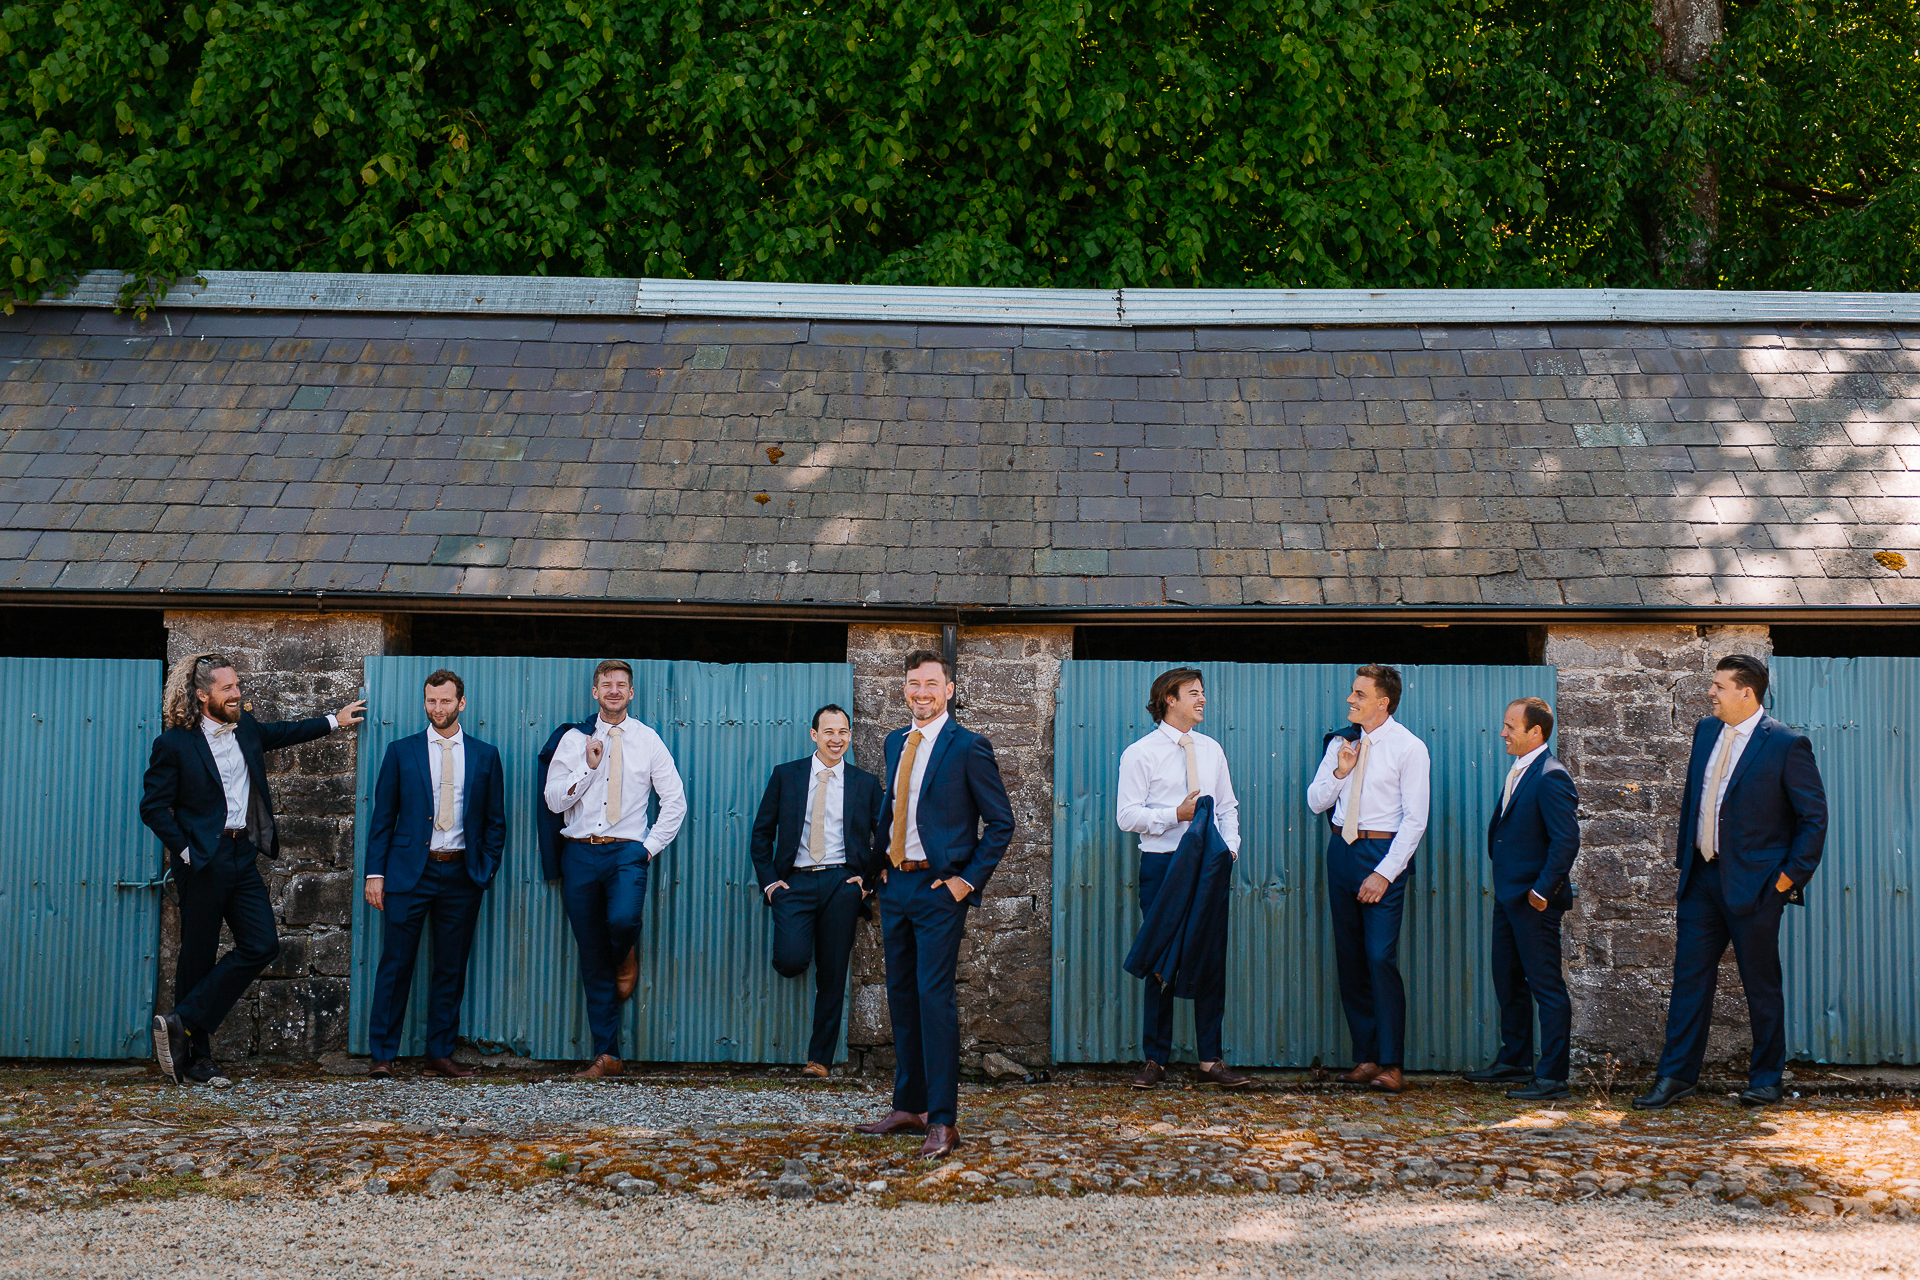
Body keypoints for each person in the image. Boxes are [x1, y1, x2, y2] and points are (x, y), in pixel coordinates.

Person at [140, 653, 365, 1086]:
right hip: (202, 861)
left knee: (262, 944)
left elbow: (283, 733)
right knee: (198, 955)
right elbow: (153, 807)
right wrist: (186, 852)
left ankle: (180, 1020)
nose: (237, 693)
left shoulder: (245, 727)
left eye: (237, 685)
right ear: (202, 694)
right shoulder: (175, 744)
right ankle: (196, 1060)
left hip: (243, 856)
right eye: (228, 688)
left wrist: (334, 720)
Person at [1635, 654, 1827, 1111]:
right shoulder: (1705, 732)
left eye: (1719, 686)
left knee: (1760, 984)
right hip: (1701, 879)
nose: (1710, 693)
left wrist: (1785, 881)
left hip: (1757, 888)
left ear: (1747, 692)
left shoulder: (1785, 744)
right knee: (1688, 981)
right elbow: (1697, 800)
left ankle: (1766, 1080)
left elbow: (1813, 819)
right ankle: (1676, 1076)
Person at [854, 649, 1015, 1158]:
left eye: (930, 684)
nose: (920, 692)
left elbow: (1002, 823)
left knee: (934, 998)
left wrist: (964, 883)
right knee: (901, 997)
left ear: (948, 690)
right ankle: (911, 1104)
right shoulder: (894, 741)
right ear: (904, 689)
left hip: (939, 891)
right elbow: (893, 806)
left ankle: (943, 1121)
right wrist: (879, 864)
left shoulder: (969, 746)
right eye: (912, 684)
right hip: (896, 887)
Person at [540, 659, 687, 1078]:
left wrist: (649, 848)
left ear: (631, 693)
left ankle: (625, 955)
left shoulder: (649, 740)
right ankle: (609, 1055)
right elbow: (553, 801)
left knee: (622, 921)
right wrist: (587, 766)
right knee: (590, 955)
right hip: (580, 854)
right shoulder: (573, 739)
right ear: (595, 692)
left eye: (621, 685)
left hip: (628, 853)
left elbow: (674, 801)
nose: (614, 691)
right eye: (607, 685)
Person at [362, 669, 507, 1081]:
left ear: (461, 703)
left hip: (462, 873)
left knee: (450, 967)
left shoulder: (485, 755)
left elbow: (495, 822)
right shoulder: (401, 751)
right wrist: (376, 874)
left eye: (445, 701)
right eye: (431, 701)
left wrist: (485, 868)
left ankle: (439, 1054)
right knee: (396, 963)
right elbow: (383, 819)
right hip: (409, 874)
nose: (437, 709)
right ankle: (383, 1055)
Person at [1116, 667, 1249, 1089]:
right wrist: (1176, 815)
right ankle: (1155, 1058)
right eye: (1194, 693)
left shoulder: (1211, 749)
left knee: (1209, 956)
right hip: (1163, 867)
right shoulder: (1141, 753)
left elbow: (1228, 806)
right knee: (1160, 959)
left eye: (1203, 693)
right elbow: (1126, 816)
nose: (1202, 699)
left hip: (1208, 866)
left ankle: (1211, 1060)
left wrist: (1229, 850)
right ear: (1169, 699)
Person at [1306, 664, 1430, 1095]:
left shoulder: (1409, 748)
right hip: (1341, 851)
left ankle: (1393, 1064)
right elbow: (1315, 802)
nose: (1350, 700)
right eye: (1352, 693)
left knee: (1379, 957)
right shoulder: (1342, 742)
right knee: (1351, 958)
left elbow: (1415, 821)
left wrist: (1383, 874)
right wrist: (1340, 770)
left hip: (1383, 853)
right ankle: (1367, 1058)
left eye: (1359, 694)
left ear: (1384, 702)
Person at [749, 704, 884, 1077]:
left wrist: (867, 883)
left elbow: (886, 837)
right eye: (828, 732)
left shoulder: (865, 784)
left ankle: (819, 1060)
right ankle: (792, 943)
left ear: (850, 735)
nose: (836, 739)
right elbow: (761, 833)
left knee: (833, 971)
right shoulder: (786, 776)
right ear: (814, 735)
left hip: (843, 884)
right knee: (791, 960)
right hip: (796, 883)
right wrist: (771, 884)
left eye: (843, 732)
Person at [1462, 697, 1580, 1101]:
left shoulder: (1551, 775)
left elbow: (1566, 841)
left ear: (1536, 732)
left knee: (1546, 986)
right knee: (1507, 978)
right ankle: (1514, 1060)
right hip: (1509, 896)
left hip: (1533, 901)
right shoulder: (1521, 770)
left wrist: (1541, 892)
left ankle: (1552, 1078)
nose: (1502, 733)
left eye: (1511, 726)